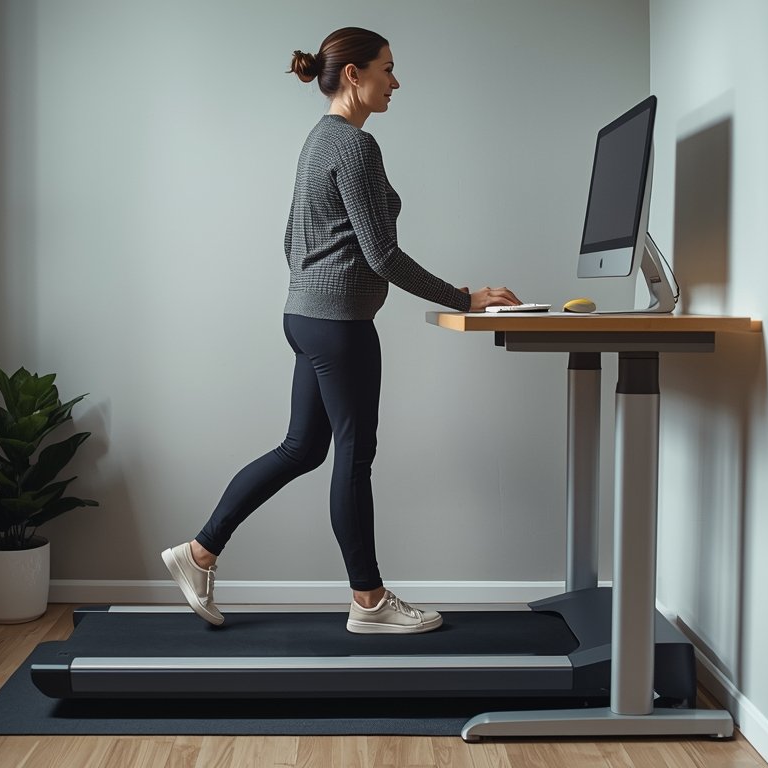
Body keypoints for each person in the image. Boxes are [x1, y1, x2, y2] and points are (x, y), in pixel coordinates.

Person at [162, 27, 521, 635]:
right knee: (353, 459)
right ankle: (369, 601)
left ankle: (198, 554)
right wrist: (464, 299)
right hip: (339, 326)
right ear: (354, 74)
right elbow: (383, 255)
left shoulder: (318, 140)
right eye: (387, 68)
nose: (396, 81)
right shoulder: (355, 146)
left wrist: (317, 287)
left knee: (302, 448)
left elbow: (292, 239)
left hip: (305, 318)